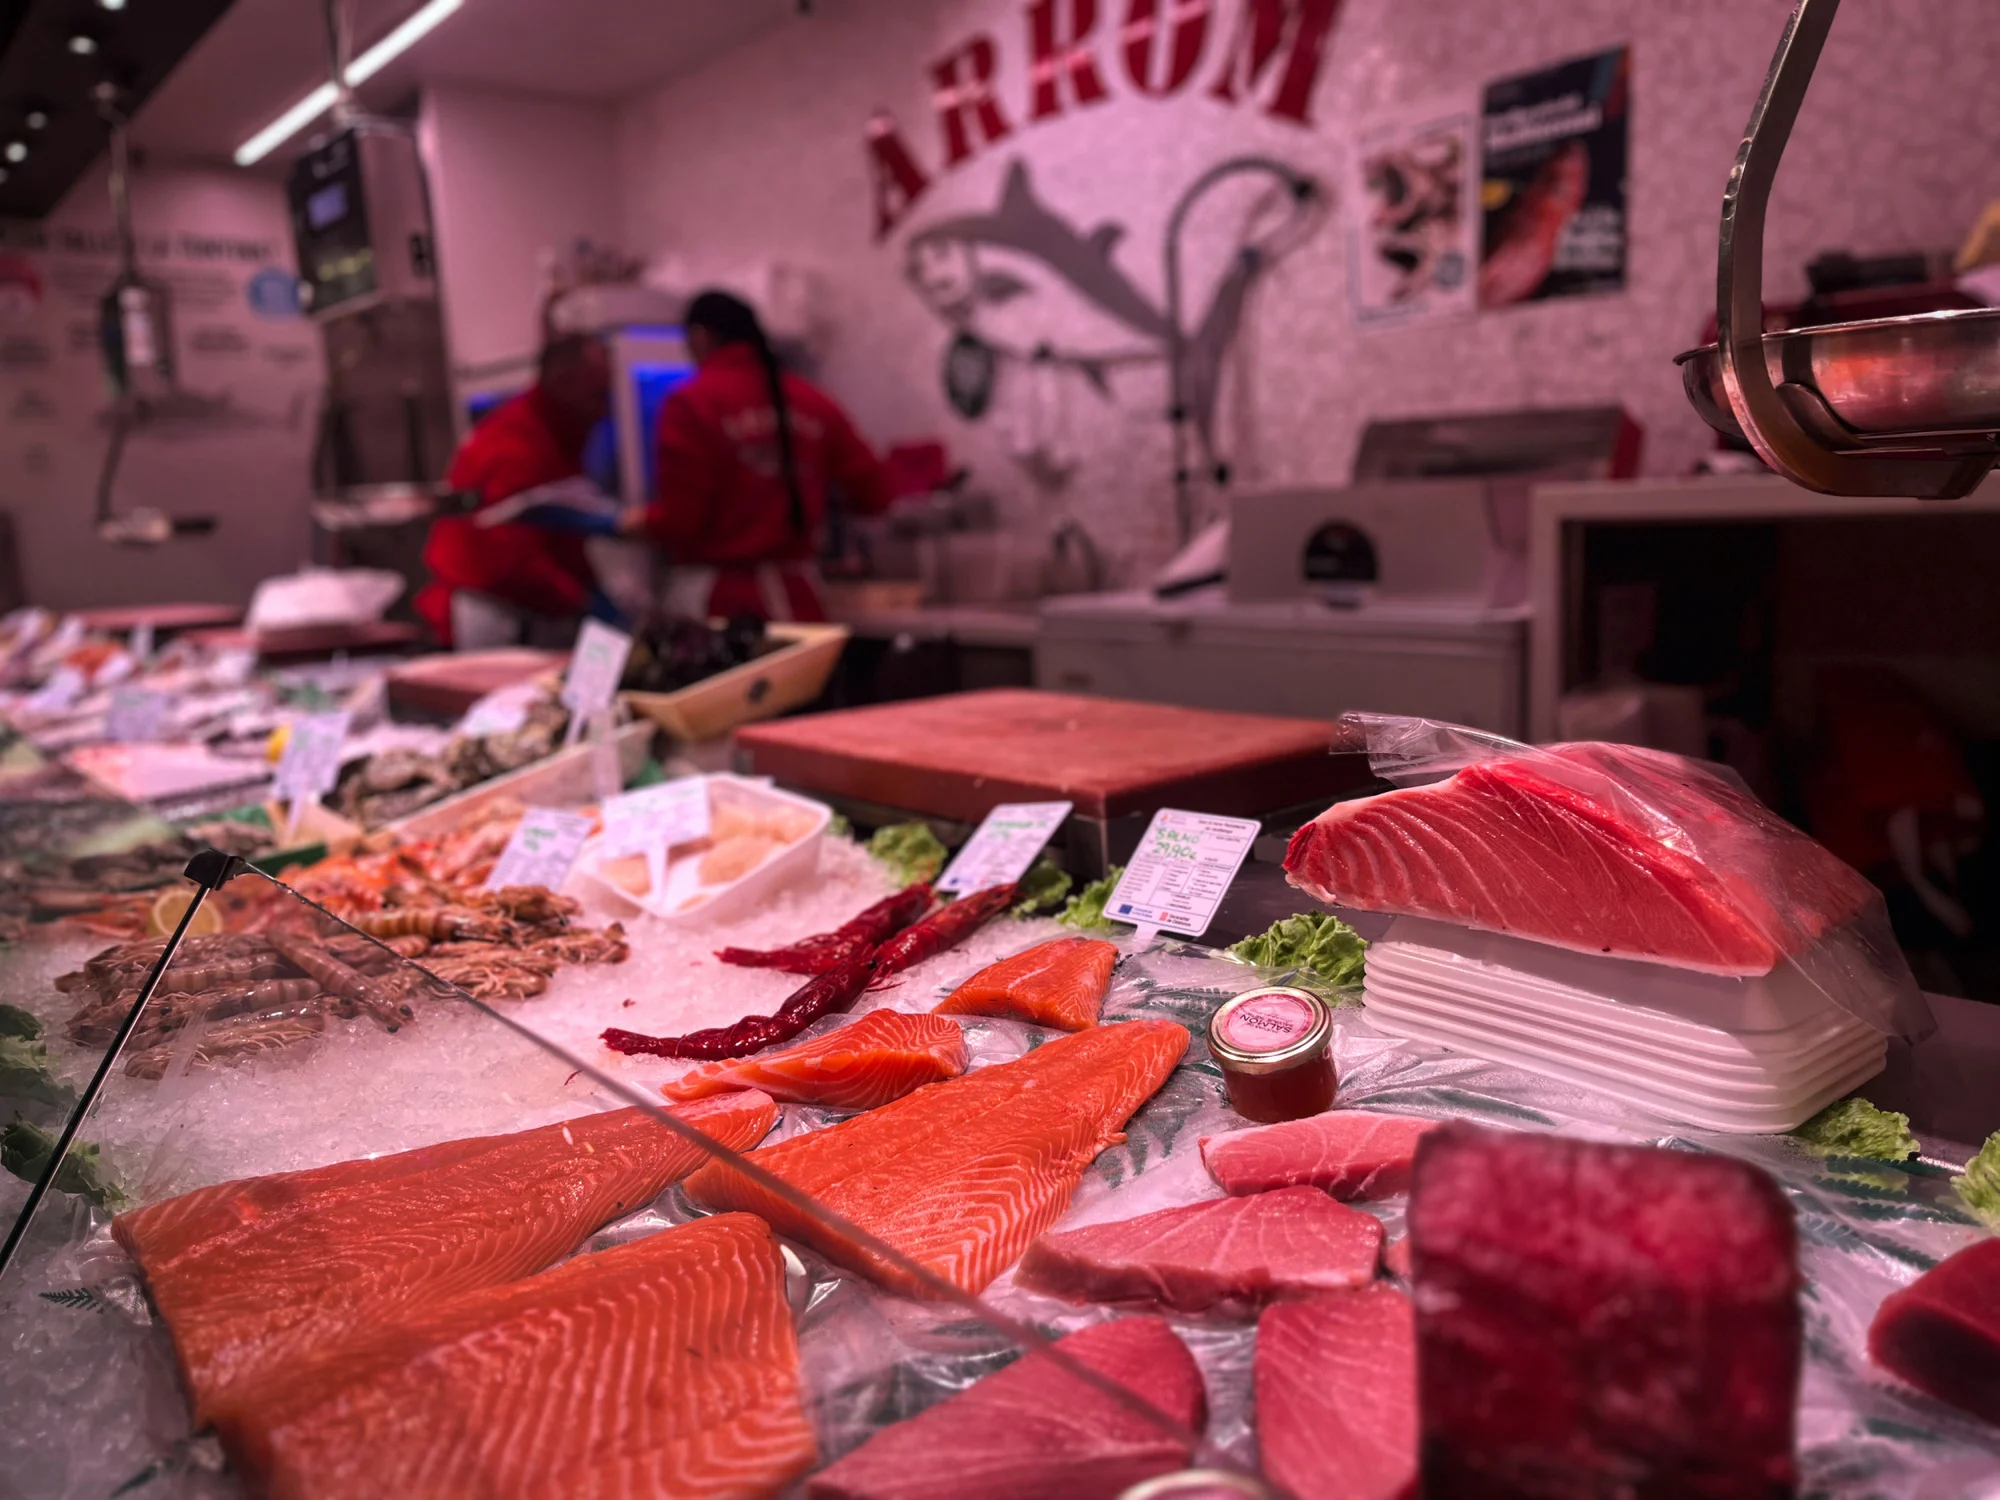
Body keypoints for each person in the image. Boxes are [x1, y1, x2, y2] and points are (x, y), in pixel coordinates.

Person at [630, 290, 891, 621]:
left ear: (700, 337)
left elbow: (683, 519)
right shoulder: (812, 401)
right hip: (801, 602)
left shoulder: (691, 403)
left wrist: (631, 522)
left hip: (719, 605)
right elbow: (875, 493)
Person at [416, 331, 627, 648]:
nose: (605, 409)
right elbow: (508, 560)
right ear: (564, 382)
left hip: (522, 607)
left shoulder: (556, 434)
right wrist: (579, 601)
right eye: (597, 395)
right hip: (491, 613)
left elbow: (559, 540)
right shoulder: (516, 445)